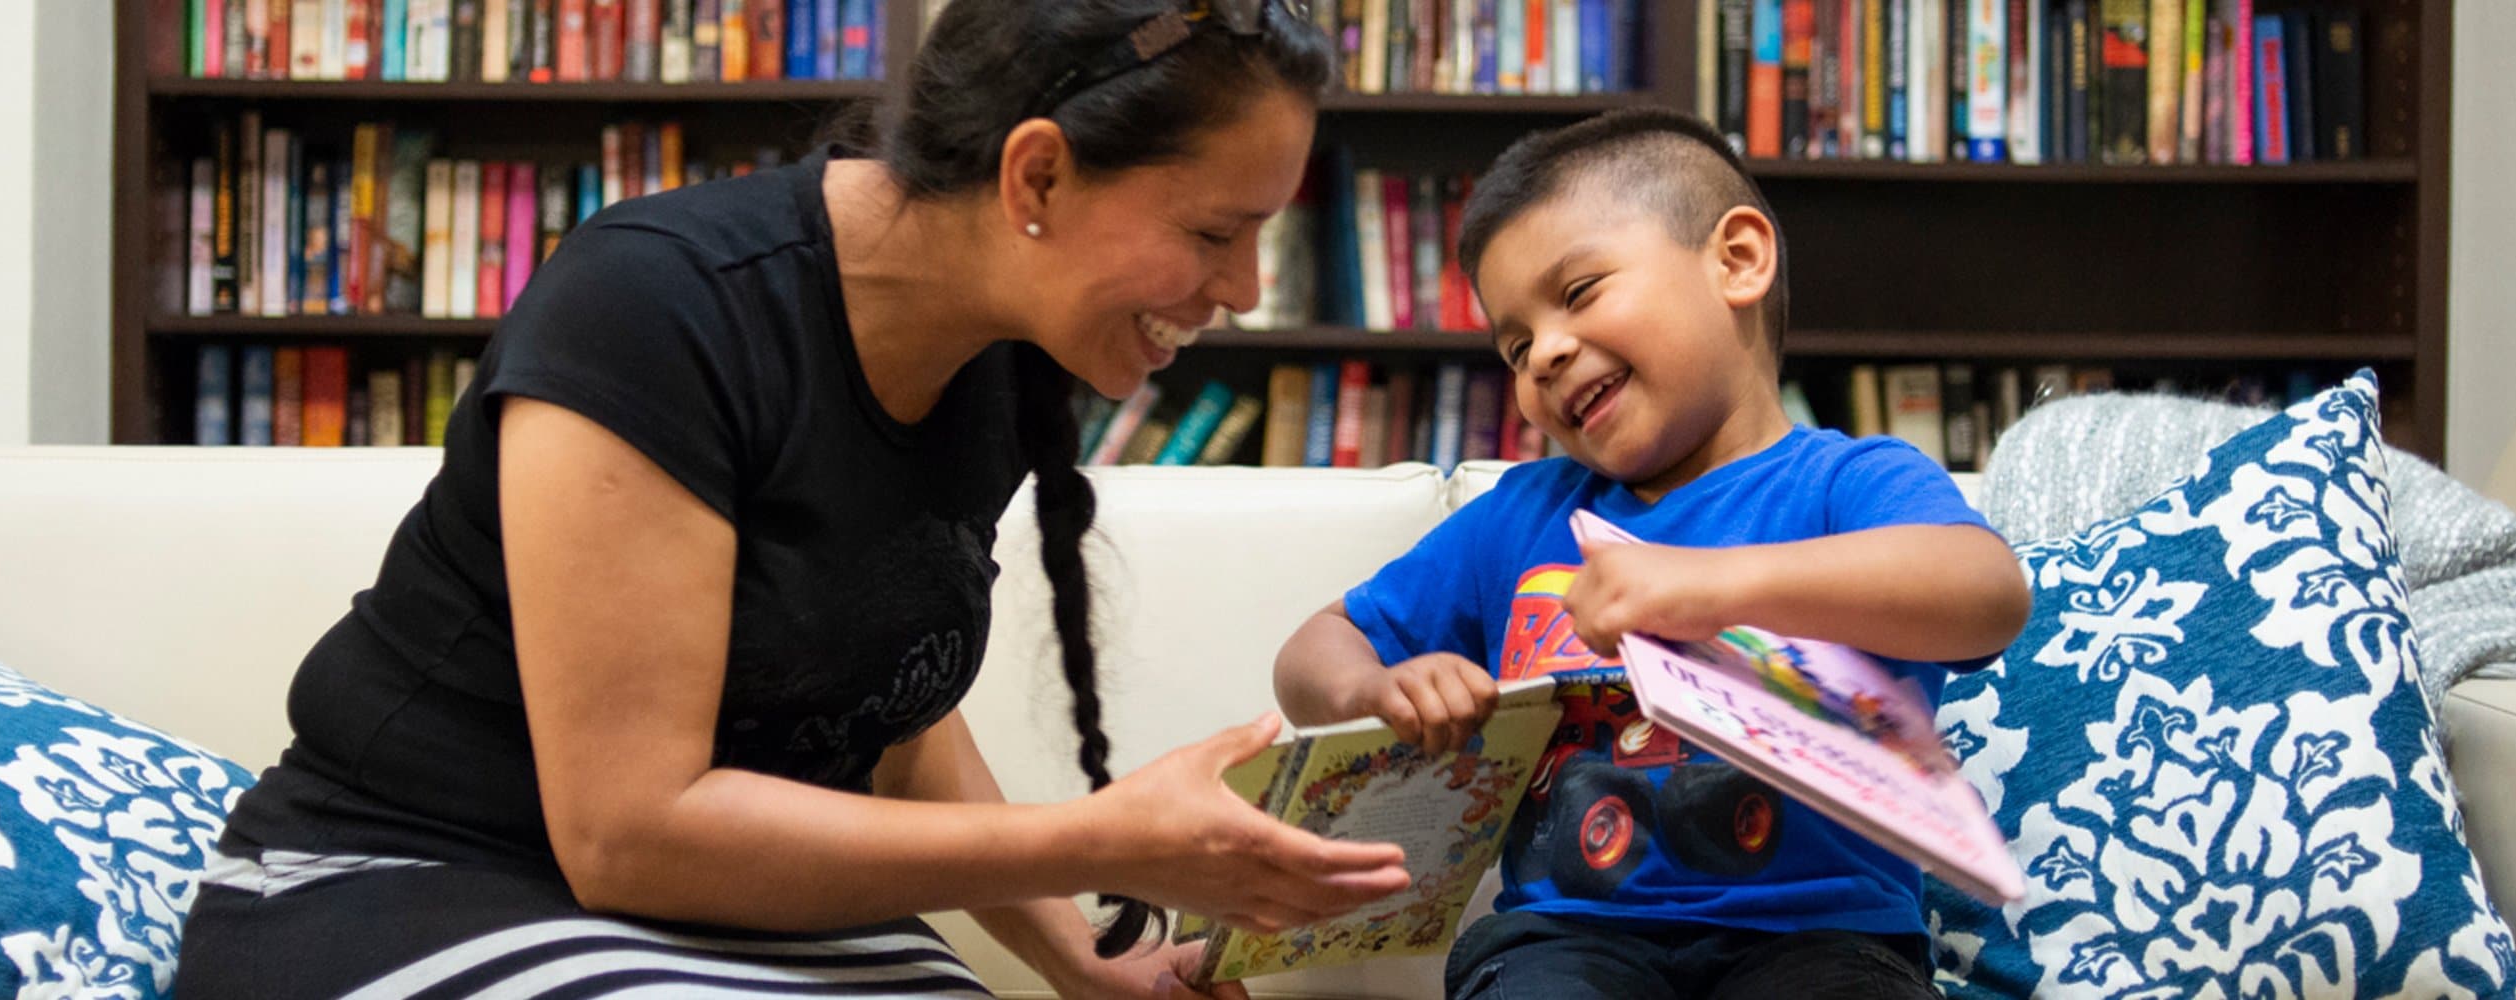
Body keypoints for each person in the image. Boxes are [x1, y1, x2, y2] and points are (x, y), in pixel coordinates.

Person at [169, 1, 1410, 997]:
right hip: (400, 879)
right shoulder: (657, 305)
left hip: (700, 918)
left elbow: (890, 718)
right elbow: (626, 832)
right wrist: (1104, 837)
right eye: (1213, 232)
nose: (1245, 288)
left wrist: (1089, 961)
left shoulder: (999, 344)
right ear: (1036, 178)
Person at [1266, 108, 2033, 999]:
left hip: (1823, 940)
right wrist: (1373, 687)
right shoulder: (1520, 518)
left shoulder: (1847, 483)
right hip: (1566, 937)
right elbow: (1312, 651)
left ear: (1736, 261)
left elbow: (1986, 595)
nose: (1544, 354)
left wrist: (1713, 587)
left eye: (1581, 292)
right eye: (1515, 345)